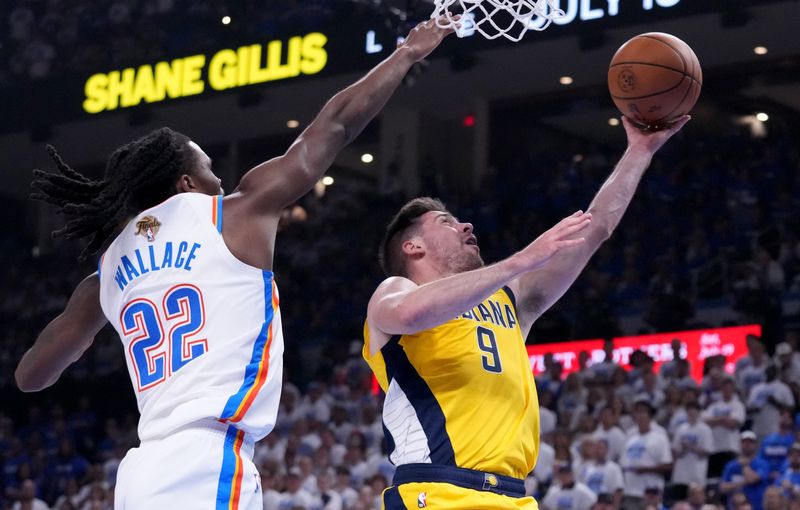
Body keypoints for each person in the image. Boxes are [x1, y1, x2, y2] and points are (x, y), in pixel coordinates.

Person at [14, 19, 456, 509]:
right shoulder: (234, 214)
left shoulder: (105, 271)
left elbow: (31, 377)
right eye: (209, 170)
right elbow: (335, 126)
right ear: (185, 183)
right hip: (209, 460)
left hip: (140, 472)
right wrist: (406, 53)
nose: (221, 182)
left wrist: (99, 308)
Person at [363, 115, 689, 509]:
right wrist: (522, 260)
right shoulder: (397, 290)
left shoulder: (508, 299)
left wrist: (639, 151)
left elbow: (594, 231)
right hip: (436, 492)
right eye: (446, 222)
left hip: (514, 496)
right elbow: (410, 315)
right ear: (413, 247)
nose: (466, 226)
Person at [720, 431, 770, 510]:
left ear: (756, 444)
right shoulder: (731, 466)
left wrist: (745, 466)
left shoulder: (762, 464)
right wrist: (742, 483)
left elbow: (752, 479)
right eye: (744, 442)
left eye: (750, 442)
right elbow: (723, 488)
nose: (747, 444)